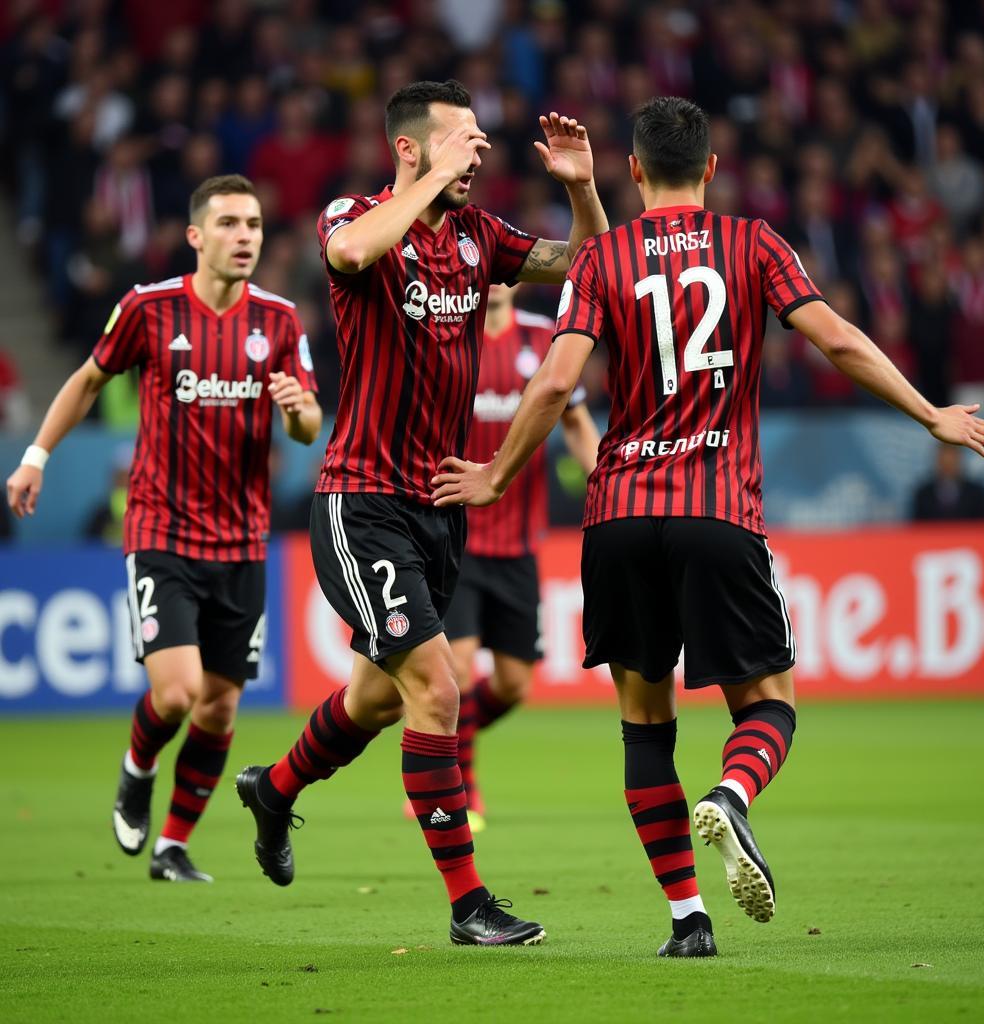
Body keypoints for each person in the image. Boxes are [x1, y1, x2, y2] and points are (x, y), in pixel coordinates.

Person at [430, 96, 984, 958]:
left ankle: (687, 921)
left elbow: (552, 385)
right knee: (769, 704)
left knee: (643, 722)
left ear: (630, 171)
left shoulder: (605, 257)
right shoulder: (755, 243)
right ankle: (733, 795)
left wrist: (495, 473)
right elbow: (841, 341)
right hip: (716, 507)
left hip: (619, 514)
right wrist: (929, 415)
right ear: (709, 168)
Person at [234, 79, 607, 947]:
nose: (479, 151)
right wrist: (430, 183)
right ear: (410, 148)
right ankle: (470, 905)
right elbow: (355, 254)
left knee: (374, 700)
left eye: (480, 141)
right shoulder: (353, 213)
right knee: (438, 689)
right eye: (461, 139)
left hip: (438, 510)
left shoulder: (479, 236)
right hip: (359, 501)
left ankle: (275, 790)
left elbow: (584, 266)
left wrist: (582, 188)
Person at [6, 174, 321, 883]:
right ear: (196, 236)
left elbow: (305, 429)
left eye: (254, 225)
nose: (245, 237)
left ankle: (172, 846)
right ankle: (137, 766)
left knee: (218, 708)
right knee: (176, 693)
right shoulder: (147, 309)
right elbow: (88, 379)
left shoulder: (278, 320)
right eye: (231, 224)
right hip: (162, 531)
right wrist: (34, 458)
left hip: (242, 539)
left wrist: (296, 407)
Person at [438, 283, 600, 832]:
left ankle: (444, 742)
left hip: (517, 547)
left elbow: (574, 420)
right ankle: (459, 784)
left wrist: (604, 479)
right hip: (453, 539)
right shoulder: (449, 336)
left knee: (512, 685)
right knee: (456, 671)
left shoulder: (544, 338)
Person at [911, 443, 984, 521]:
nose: (948, 464)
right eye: (944, 460)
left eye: (952, 459)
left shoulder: (976, 493)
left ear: (959, 459)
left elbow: (983, 527)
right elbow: (918, 527)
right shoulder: (923, 494)